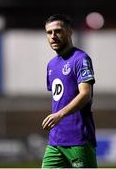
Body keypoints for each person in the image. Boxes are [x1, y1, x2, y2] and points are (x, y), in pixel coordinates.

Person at [41, 14, 97, 168]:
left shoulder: (81, 59)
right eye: (49, 32)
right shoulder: (51, 65)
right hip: (55, 140)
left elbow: (85, 94)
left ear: (70, 32)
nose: (53, 36)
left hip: (78, 140)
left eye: (58, 31)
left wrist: (60, 114)